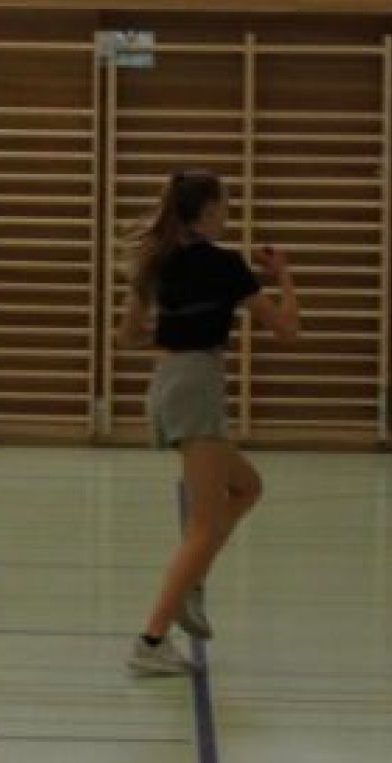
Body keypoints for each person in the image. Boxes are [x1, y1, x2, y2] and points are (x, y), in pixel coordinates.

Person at [118, 169, 298, 676]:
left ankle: (191, 581)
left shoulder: (156, 262)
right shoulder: (226, 265)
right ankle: (151, 641)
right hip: (196, 385)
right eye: (225, 205)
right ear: (207, 212)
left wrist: (178, 324)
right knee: (202, 525)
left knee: (247, 487)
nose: (229, 214)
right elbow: (287, 328)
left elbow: (127, 337)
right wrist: (283, 275)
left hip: (167, 382)